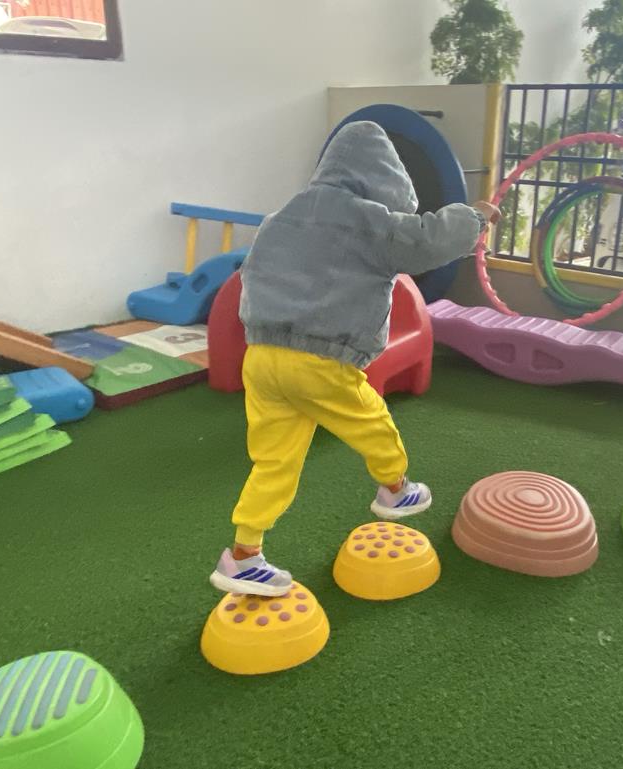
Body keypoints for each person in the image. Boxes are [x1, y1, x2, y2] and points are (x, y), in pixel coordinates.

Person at [209, 121, 500, 597]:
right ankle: (395, 489)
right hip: (319, 360)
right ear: (385, 177)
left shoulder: (280, 218)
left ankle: (243, 553)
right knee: (371, 421)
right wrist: (474, 218)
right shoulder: (369, 221)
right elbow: (427, 240)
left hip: (261, 357)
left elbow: (253, 274)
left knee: (273, 463)